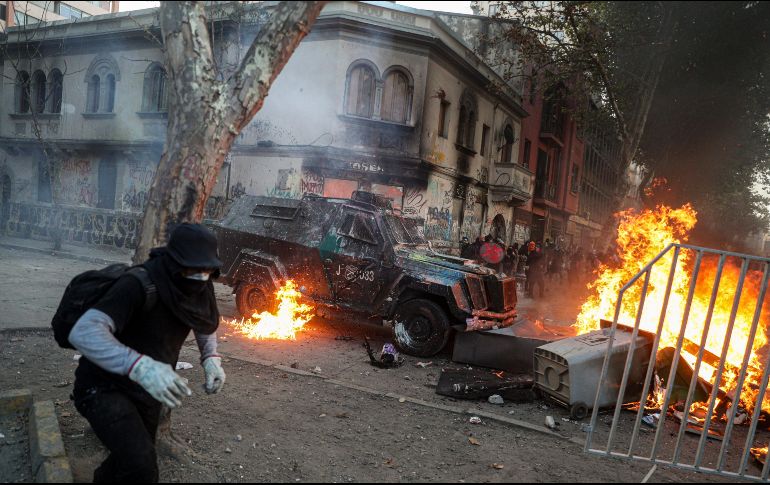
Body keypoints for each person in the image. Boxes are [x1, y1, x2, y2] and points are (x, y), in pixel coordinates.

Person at [68, 223, 225, 483]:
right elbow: (84, 332)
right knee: (143, 468)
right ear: (174, 262)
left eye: (207, 270)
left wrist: (211, 358)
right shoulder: (139, 283)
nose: (201, 277)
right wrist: (140, 366)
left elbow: (202, 318)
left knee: (131, 459)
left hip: (146, 393)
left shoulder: (201, 282)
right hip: (102, 388)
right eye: (194, 269)